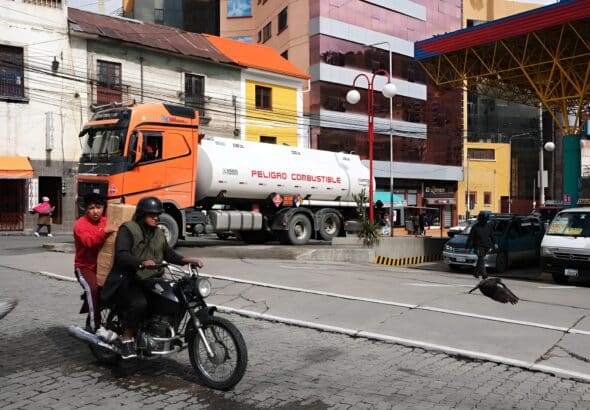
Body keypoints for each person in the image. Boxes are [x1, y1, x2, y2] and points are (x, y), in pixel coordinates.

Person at [102, 196, 204, 359]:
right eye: (152, 214)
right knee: (139, 303)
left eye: (157, 214)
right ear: (142, 214)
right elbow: (122, 255)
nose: (156, 217)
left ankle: (160, 330)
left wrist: (186, 260)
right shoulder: (128, 229)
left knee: (172, 297)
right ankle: (127, 338)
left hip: (150, 279)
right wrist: (140, 263)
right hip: (128, 278)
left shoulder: (158, 233)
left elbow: (168, 253)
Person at [73, 193, 119, 339]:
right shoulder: (80, 224)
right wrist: (104, 232)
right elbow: (89, 242)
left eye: (98, 207)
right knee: (92, 289)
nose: (95, 211)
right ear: (85, 209)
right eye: (91, 208)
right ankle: (96, 328)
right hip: (84, 267)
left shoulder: (106, 221)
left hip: (104, 267)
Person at [467, 211, 498, 279]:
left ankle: (476, 272)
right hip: (478, 246)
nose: (485, 221)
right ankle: (484, 274)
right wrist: (468, 246)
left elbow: (492, 235)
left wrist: (495, 243)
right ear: (480, 219)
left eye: (486, 219)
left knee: (480, 259)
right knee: (481, 259)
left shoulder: (488, 226)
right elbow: (470, 237)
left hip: (486, 246)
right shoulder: (475, 227)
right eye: (483, 219)